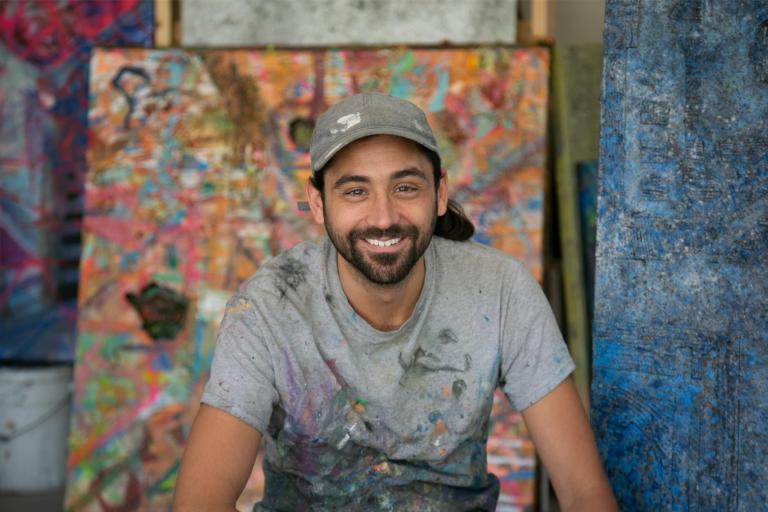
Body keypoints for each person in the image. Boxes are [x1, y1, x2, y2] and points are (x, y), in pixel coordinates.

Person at [173, 93, 617, 511]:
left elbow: (584, 492)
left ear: (439, 193)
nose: (383, 217)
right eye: (355, 191)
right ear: (318, 202)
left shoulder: (500, 289)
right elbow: (200, 503)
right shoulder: (268, 308)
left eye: (405, 187)